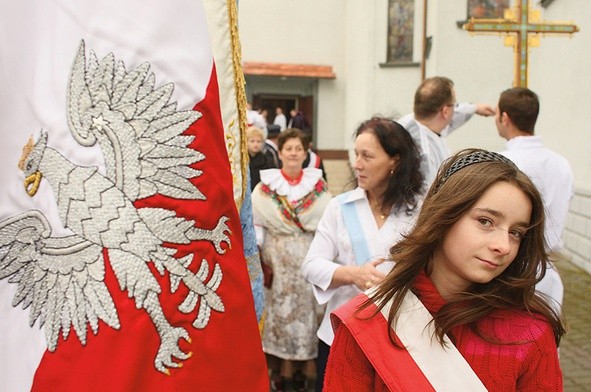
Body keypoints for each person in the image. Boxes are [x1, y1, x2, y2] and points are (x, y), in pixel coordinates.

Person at [324, 149, 565, 391]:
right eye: (485, 221)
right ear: (443, 215)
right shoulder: (367, 321)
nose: (503, 246)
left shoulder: (531, 333)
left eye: (516, 233)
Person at [302, 117, 423, 391]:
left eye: (367, 156)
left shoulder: (420, 211)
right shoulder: (340, 207)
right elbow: (311, 264)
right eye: (355, 154)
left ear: (395, 161)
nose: (357, 163)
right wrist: (351, 274)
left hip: (399, 338)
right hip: (341, 335)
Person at [252, 128, 333, 391]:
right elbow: (257, 224)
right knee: (280, 312)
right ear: (281, 152)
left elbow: (327, 225)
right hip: (278, 261)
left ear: (306, 152)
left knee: (307, 314)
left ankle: (303, 373)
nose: (294, 153)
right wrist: (260, 256)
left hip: (308, 257)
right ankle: (280, 373)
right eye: (289, 148)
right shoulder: (265, 188)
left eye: (298, 148)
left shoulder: (319, 188)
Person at [495, 87, 574, 313]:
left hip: (509, 274)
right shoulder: (562, 164)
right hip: (547, 275)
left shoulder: (502, 162)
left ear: (504, 117)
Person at [398, 76, 495, 188]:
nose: (456, 108)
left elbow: (455, 114)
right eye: (454, 104)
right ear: (445, 111)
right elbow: (430, 195)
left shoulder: (410, 123)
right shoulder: (426, 154)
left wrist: (475, 108)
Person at [247, 126, 275, 191]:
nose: (255, 144)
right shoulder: (242, 161)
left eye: (258, 141)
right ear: (246, 142)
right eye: (252, 141)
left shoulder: (267, 160)